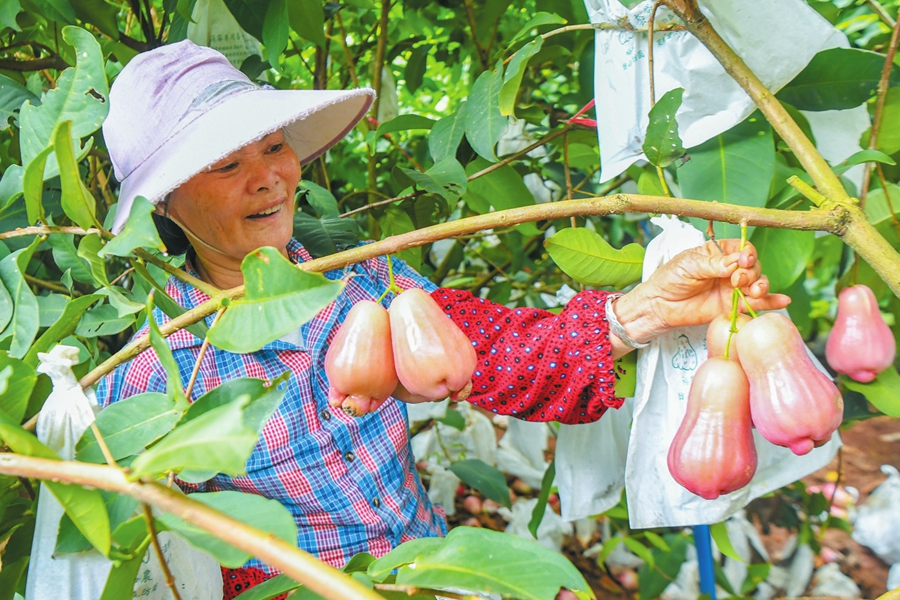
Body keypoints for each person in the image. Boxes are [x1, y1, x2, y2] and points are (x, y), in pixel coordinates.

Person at [95, 41, 789, 598]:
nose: (269, 177)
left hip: (432, 567)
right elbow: (170, 557)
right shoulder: (148, 380)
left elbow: (502, 353)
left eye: (274, 146)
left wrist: (643, 312)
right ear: (165, 204)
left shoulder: (366, 279)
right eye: (226, 164)